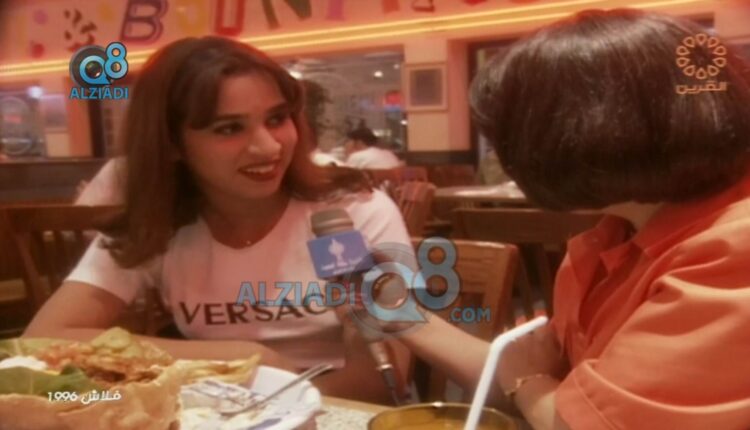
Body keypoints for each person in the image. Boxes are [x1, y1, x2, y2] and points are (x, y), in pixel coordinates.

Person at [338, 9, 750, 429]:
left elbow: (573, 418)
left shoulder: (731, 254)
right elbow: (556, 390)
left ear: (591, 132)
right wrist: (398, 313)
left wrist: (529, 380)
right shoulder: (613, 236)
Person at [25, 36, 412, 403]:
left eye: (277, 119)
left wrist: (277, 399)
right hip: (215, 408)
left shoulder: (353, 211)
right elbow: (42, 339)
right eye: (229, 128)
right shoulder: (157, 223)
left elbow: (381, 382)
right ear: (172, 143)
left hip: (336, 407)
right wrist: (243, 356)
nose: (269, 146)